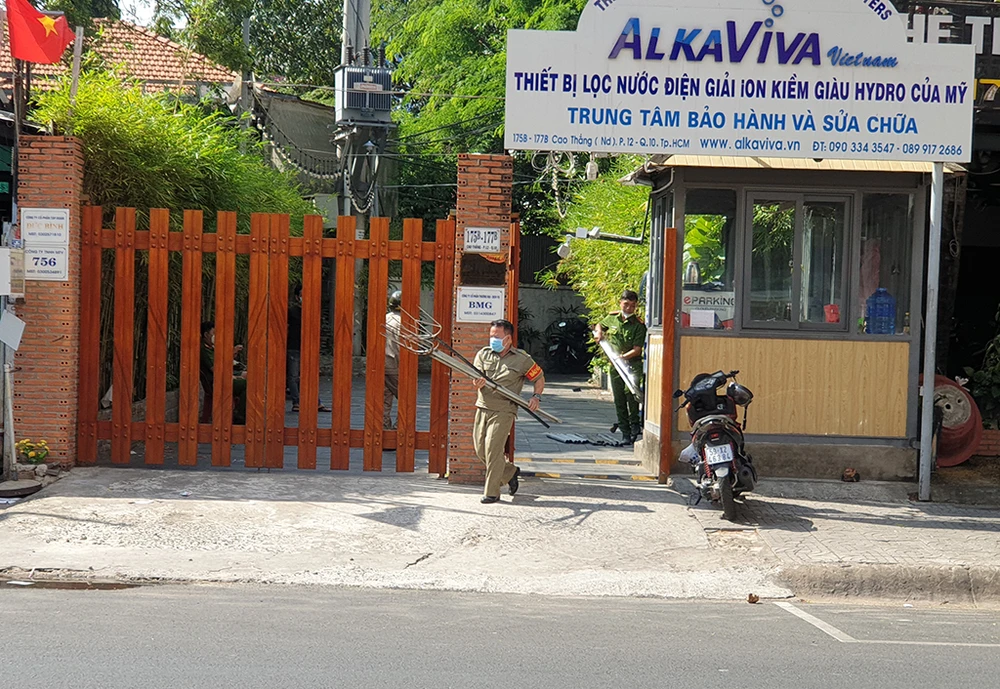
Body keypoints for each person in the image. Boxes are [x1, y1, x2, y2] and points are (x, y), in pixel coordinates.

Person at [472, 319, 545, 504]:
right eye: (491, 336)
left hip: (504, 410)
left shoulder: (522, 359)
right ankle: (510, 472)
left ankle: (492, 492)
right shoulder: (483, 354)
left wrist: (536, 397)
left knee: (493, 449)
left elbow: (539, 378)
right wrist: (477, 382)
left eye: (497, 336)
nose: (493, 340)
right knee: (480, 449)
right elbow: (475, 376)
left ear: (508, 338)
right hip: (483, 406)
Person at [594, 289, 647, 445]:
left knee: (631, 394)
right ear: (620, 303)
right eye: (626, 304)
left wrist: (623, 357)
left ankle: (635, 426)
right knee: (619, 399)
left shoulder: (638, 325)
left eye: (632, 305)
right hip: (616, 366)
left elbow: (637, 350)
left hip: (632, 365)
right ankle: (625, 432)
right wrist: (599, 332)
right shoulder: (613, 318)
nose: (629, 308)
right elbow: (600, 325)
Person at [287, 285, 330, 413]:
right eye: (302, 295)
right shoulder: (291, 311)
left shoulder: (313, 311)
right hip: (294, 346)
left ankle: (316, 402)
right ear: (297, 297)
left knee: (310, 375)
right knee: (293, 376)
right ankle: (296, 402)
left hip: (309, 347)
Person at [199, 321, 247, 424]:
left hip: (224, 377)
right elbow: (217, 370)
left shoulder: (212, 348)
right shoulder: (204, 351)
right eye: (214, 333)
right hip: (218, 382)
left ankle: (240, 412)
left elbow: (223, 363)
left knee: (250, 377)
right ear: (206, 334)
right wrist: (232, 377)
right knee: (247, 384)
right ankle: (239, 416)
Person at [383, 290, 402, 429]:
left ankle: (384, 428)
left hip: (382, 363)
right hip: (395, 364)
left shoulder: (384, 318)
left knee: (385, 398)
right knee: (406, 398)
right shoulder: (403, 322)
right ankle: (399, 428)